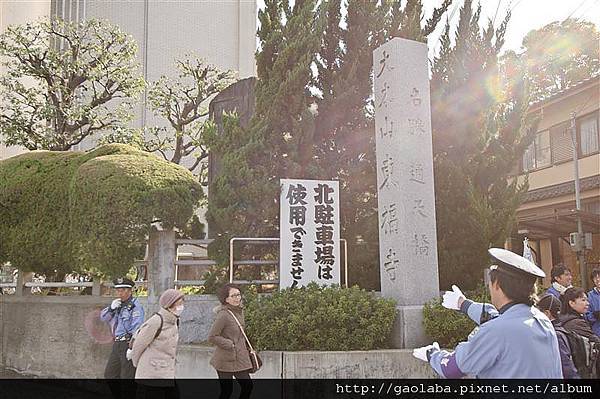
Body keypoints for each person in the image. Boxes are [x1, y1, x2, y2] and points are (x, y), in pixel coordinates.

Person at [413, 248, 563, 378]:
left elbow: (452, 368)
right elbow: (498, 318)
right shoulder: (541, 319)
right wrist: (464, 304)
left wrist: (432, 354)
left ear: (496, 284)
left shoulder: (496, 332)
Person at [129, 289, 184, 399]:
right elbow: (138, 346)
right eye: (179, 303)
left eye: (182, 303)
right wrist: (139, 366)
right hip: (151, 375)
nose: (182, 307)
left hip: (166, 373)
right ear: (170, 304)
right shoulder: (156, 321)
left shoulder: (174, 321)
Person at [208, 283, 253, 399]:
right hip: (224, 360)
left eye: (238, 295)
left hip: (240, 358)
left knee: (248, 387)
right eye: (233, 296)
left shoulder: (240, 311)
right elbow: (212, 336)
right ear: (226, 299)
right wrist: (229, 344)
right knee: (227, 391)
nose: (237, 298)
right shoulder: (223, 315)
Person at [101, 277, 145, 379]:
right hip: (117, 344)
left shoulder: (135, 306)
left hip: (127, 343)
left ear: (129, 291)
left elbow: (137, 328)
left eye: (122, 291)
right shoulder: (117, 305)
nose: (119, 293)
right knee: (110, 374)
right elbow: (103, 318)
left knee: (127, 375)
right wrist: (111, 309)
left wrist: (132, 347)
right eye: (118, 291)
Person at [536, 294, 580, 378]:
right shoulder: (562, 329)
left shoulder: (555, 335)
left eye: (538, 312)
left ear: (546, 313)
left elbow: (566, 366)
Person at [585, 268, 600, 337]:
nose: (598, 280)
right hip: (597, 332)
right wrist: (595, 315)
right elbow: (587, 315)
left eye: (599, 277)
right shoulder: (589, 296)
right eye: (595, 278)